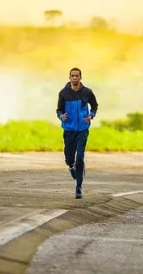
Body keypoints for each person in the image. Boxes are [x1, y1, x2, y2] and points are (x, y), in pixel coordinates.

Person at [56, 67, 98, 199]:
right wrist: (61, 116)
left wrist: (91, 115)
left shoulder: (87, 92)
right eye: (72, 76)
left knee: (80, 157)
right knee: (69, 159)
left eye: (77, 76)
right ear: (69, 78)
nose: (75, 78)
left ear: (80, 77)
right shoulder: (63, 93)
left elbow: (95, 106)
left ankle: (78, 188)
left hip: (82, 129)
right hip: (69, 129)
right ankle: (71, 167)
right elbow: (59, 110)